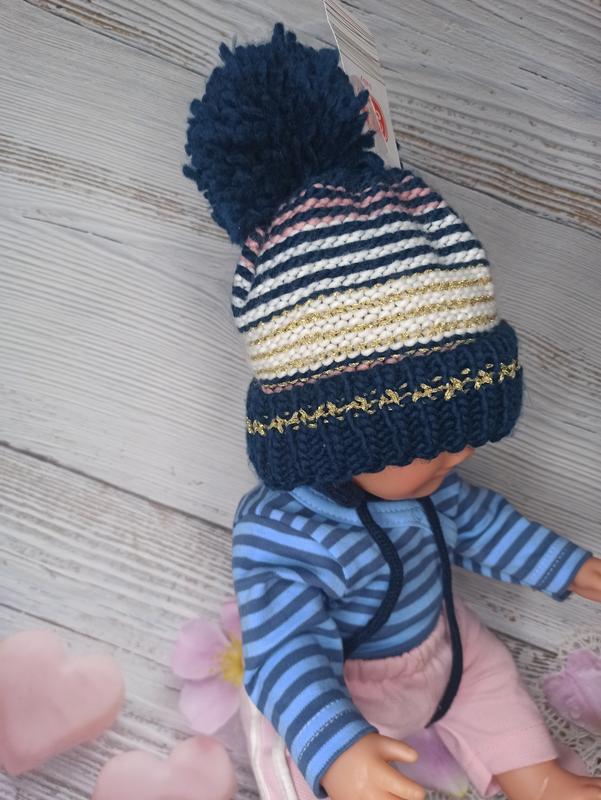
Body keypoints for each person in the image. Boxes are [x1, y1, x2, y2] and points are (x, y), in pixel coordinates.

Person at [183, 22, 601, 800]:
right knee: (303, 753)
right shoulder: (282, 535)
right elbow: (283, 654)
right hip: (344, 691)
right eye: (429, 443)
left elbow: (487, 528)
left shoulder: (431, 492)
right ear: (333, 438)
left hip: (443, 650)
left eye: (462, 436)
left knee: (491, 681)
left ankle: (537, 778)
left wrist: (576, 571)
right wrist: (340, 751)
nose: (455, 458)